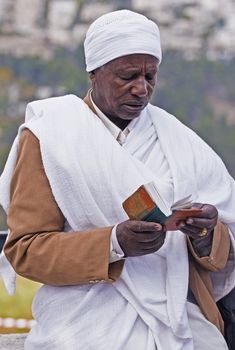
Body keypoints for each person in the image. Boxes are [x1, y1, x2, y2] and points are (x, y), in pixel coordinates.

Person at [0, 9, 234, 350]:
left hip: (178, 316)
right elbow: (25, 249)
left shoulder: (180, 141)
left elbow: (225, 247)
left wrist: (205, 234)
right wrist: (113, 244)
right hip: (82, 319)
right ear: (94, 73)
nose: (142, 89)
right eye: (128, 76)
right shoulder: (51, 135)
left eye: (150, 76)